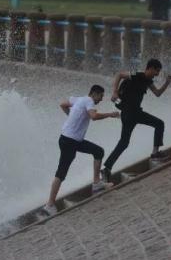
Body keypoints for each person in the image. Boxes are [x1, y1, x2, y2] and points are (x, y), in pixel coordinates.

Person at [43, 85, 119, 216]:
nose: (100, 100)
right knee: (61, 173)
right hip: (70, 141)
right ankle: (49, 205)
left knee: (98, 151)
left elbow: (62, 104)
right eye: (100, 96)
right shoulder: (88, 101)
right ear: (94, 94)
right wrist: (110, 115)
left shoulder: (79, 99)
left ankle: (96, 183)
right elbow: (93, 116)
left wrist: (72, 117)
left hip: (68, 139)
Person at [100, 59, 171, 181]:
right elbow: (120, 74)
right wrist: (115, 92)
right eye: (156, 71)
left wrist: (167, 82)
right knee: (158, 124)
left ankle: (107, 168)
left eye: (159, 72)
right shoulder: (137, 74)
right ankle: (154, 154)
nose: (157, 74)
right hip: (129, 113)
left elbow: (157, 93)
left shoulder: (148, 81)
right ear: (150, 68)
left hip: (135, 113)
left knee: (125, 142)